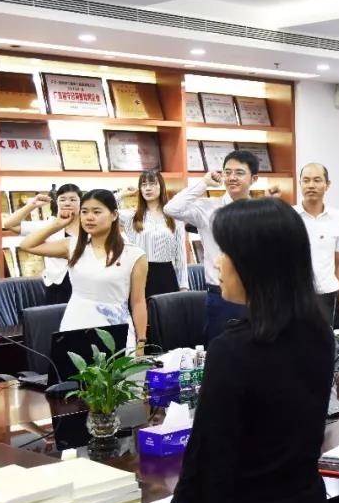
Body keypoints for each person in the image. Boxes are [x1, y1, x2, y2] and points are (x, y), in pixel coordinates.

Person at [171, 198, 334, 503]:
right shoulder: (318, 333)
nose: (217, 262)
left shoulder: (234, 350)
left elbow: (212, 465)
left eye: (225, 252)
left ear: (255, 263)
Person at [19, 189, 147, 354]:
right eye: (84, 212)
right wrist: (57, 224)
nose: (89, 217)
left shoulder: (134, 255)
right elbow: (27, 245)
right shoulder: (72, 246)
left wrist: (141, 342)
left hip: (115, 326)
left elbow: (138, 302)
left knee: (117, 369)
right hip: (76, 324)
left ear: (114, 215)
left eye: (96, 212)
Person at [165, 149, 268, 343]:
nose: (232, 177)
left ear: (254, 178)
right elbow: (171, 208)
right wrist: (203, 183)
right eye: (227, 172)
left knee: (257, 349)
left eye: (239, 173)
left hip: (257, 294)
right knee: (220, 349)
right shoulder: (208, 207)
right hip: (220, 295)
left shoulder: (262, 212)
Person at [3, 184, 82, 304]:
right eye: (62, 199)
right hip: (57, 285)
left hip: (84, 285)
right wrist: (32, 205)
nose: (67, 203)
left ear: (81, 202)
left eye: (73, 199)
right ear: (57, 202)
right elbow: (10, 225)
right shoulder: (49, 225)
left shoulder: (89, 224)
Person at [116, 170, 188, 298]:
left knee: (167, 311)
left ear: (162, 186)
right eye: (143, 185)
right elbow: (104, 210)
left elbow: (180, 255)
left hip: (166, 275)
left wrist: (183, 286)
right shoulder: (131, 216)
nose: (148, 188)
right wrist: (121, 194)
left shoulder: (174, 216)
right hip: (139, 274)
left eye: (152, 184)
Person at [296, 162, 339, 325]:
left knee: (325, 339)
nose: (311, 185)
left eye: (317, 180)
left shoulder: (338, 217)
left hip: (327, 293)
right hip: (295, 295)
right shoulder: (289, 215)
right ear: (300, 183)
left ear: (327, 184)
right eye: (306, 180)